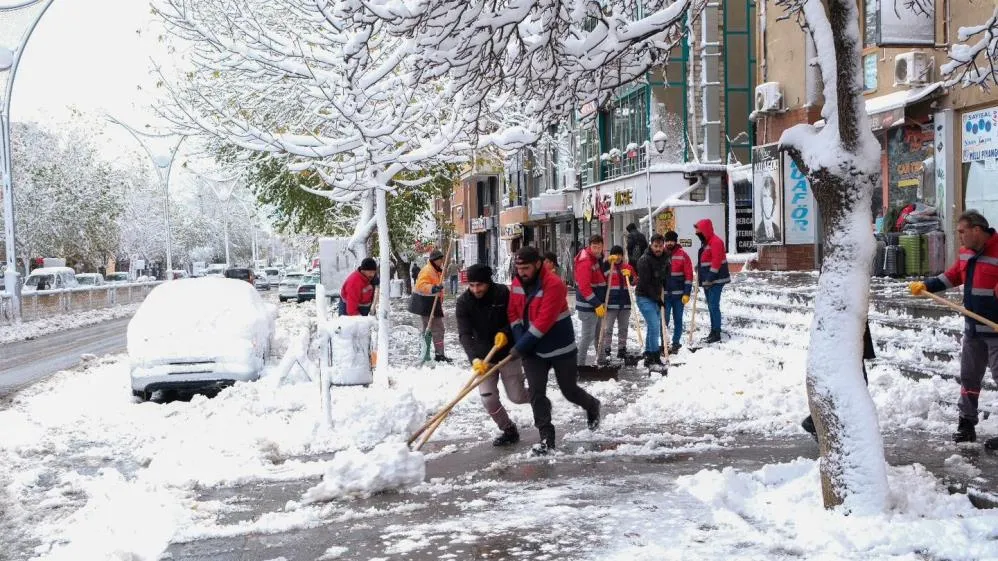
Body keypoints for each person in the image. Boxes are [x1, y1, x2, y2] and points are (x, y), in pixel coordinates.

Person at [910, 210, 998, 449]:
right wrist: (927, 285)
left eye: (962, 231)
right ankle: (966, 424)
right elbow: (952, 276)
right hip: (973, 330)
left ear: (976, 230)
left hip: (996, 331)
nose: (959, 236)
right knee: (969, 378)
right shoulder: (965, 253)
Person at [508, 246, 601, 455]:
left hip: (560, 347)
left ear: (538, 264)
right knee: (536, 393)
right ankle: (546, 439)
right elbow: (513, 312)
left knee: (569, 390)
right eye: (519, 268)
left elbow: (544, 321)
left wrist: (520, 346)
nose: (522, 272)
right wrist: (518, 339)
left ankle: (592, 405)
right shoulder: (516, 282)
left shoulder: (554, 284)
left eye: (526, 268)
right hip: (533, 351)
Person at [455, 264, 530, 446]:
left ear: (488, 282)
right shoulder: (464, 302)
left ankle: (539, 398)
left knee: (517, 397)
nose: (475, 289)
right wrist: (473, 358)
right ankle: (508, 429)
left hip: (507, 353)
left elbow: (516, 318)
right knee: (488, 398)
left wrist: (505, 332)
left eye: (479, 285)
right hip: (483, 357)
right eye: (471, 285)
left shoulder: (503, 294)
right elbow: (465, 334)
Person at [801, 322, 874, 439]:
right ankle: (817, 422)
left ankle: (824, 423)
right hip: (843, 337)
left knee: (858, 382)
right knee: (856, 383)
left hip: (848, 335)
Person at [408, 249, 451, 362]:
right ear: (434, 260)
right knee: (438, 329)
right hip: (427, 304)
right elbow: (421, 285)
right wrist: (433, 288)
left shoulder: (435, 270)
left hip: (430, 303)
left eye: (442, 259)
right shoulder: (427, 270)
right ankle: (438, 355)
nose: (442, 261)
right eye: (440, 259)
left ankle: (424, 352)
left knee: (428, 330)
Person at [635, 233, 669, 370]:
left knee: (652, 326)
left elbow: (664, 276)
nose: (658, 249)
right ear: (651, 245)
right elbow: (645, 283)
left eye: (661, 246)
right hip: (644, 296)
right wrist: (657, 299)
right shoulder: (644, 260)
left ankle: (649, 354)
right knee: (655, 326)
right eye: (656, 246)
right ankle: (655, 355)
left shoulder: (665, 257)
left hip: (655, 295)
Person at [573, 234, 608, 366]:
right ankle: (579, 365)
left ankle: (602, 360)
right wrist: (597, 303)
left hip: (597, 304)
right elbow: (584, 287)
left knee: (599, 335)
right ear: (589, 246)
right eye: (594, 247)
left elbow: (599, 277)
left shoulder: (596, 258)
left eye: (599, 247)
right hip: (588, 306)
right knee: (588, 336)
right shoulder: (585, 261)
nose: (597, 250)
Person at [695, 219, 730, 344]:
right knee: (710, 306)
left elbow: (716, 261)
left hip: (716, 279)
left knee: (714, 306)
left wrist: (710, 278)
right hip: (707, 280)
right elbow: (705, 259)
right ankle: (713, 331)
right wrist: (698, 267)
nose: (698, 235)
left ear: (705, 231)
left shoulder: (716, 242)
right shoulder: (706, 242)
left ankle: (716, 332)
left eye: (699, 232)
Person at [661, 232, 693, 354]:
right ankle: (664, 343)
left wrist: (687, 293)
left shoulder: (683, 255)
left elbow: (689, 275)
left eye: (672, 241)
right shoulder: (660, 255)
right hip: (664, 295)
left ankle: (676, 343)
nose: (669, 243)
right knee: (664, 320)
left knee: (678, 319)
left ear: (675, 241)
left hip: (679, 296)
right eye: (667, 241)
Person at [602, 245, 637, 359]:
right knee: (608, 328)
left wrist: (631, 276)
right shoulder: (607, 267)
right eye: (615, 254)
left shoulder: (627, 267)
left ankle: (622, 349)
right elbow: (601, 280)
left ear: (622, 256)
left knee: (623, 328)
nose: (617, 257)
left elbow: (634, 282)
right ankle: (607, 349)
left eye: (620, 254)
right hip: (611, 303)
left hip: (625, 303)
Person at [755, 175, 782, 244]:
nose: (767, 201)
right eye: (764, 196)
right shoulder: (757, 233)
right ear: (761, 200)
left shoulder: (778, 231)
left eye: (770, 196)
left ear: (774, 199)